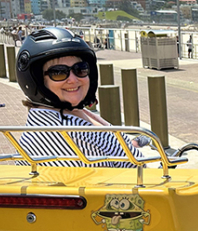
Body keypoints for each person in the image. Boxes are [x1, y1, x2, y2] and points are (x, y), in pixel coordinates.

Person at [14, 27, 145, 168]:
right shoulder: (71, 136)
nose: (73, 79)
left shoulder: (63, 117)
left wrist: (128, 145)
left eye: (80, 69)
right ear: (37, 81)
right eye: (58, 72)